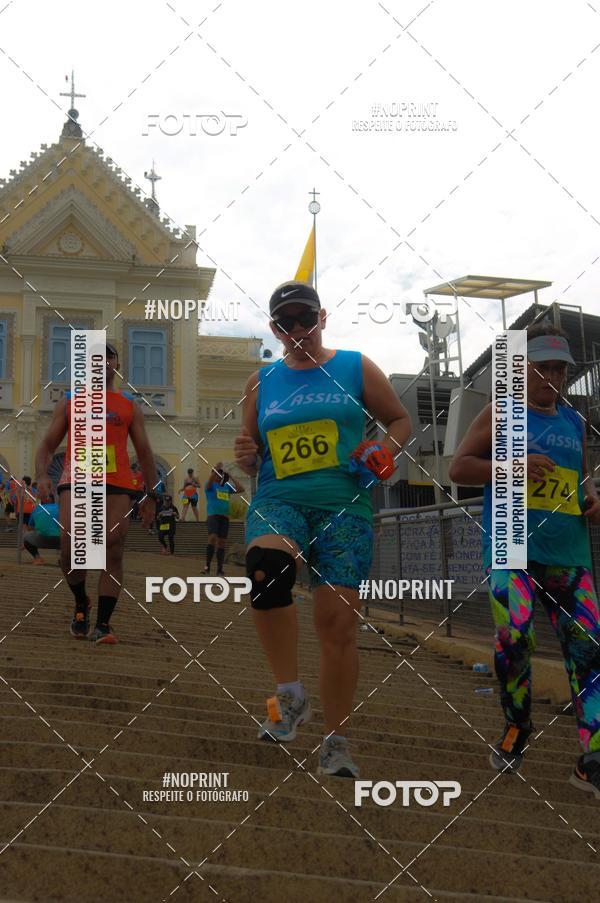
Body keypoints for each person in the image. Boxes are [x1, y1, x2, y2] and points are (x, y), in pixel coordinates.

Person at [234, 280, 411, 778]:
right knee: (266, 570)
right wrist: (247, 454)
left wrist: (384, 451)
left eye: (305, 319)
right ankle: (288, 696)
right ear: (274, 329)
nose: (297, 330)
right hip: (280, 500)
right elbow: (250, 448)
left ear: (323, 318)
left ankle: (336, 741)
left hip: (344, 507)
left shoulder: (354, 366)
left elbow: (399, 420)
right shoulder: (262, 381)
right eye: (286, 322)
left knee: (336, 625)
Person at [449, 323, 600, 796]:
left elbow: (582, 481)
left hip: (569, 553)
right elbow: (458, 469)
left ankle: (592, 755)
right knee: (516, 638)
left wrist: (592, 499)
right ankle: (517, 725)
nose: (552, 377)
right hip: (512, 544)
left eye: (560, 369)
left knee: (590, 650)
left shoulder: (574, 422)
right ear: (522, 368)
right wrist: (511, 466)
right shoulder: (501, 413)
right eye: (543, 367)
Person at [35, 343, 158, 644]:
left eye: (108, 357)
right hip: (76, 479)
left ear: (116, 363)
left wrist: (152, 496)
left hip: (116, 480)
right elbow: (48, 444)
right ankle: (81, 602)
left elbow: (144, 452)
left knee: (112, 547)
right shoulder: (69, 402)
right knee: (69, 551)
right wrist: (40, 476)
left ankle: (103, 625)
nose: (102, 363)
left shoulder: (130, 405)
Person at [202, 462, 245, 576]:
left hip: (224, 518)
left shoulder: (226, 486)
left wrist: (230, 475)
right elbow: (209, 483)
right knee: (212, 538)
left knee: (222, 543)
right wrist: (216, 469)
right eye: (216, 474)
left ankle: (219, 570)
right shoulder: (210, 485)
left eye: (220, 475)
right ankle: (207, 568)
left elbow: (241, 489)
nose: (218, 476)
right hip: (213, 516)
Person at [23, 492, 60, 566]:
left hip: (42, 539)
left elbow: (30, 528)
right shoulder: (62, 507)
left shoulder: (37, 509)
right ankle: (65, 559)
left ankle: (37, 558)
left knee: (26, 537)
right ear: (54, 500)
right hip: (62, 541)